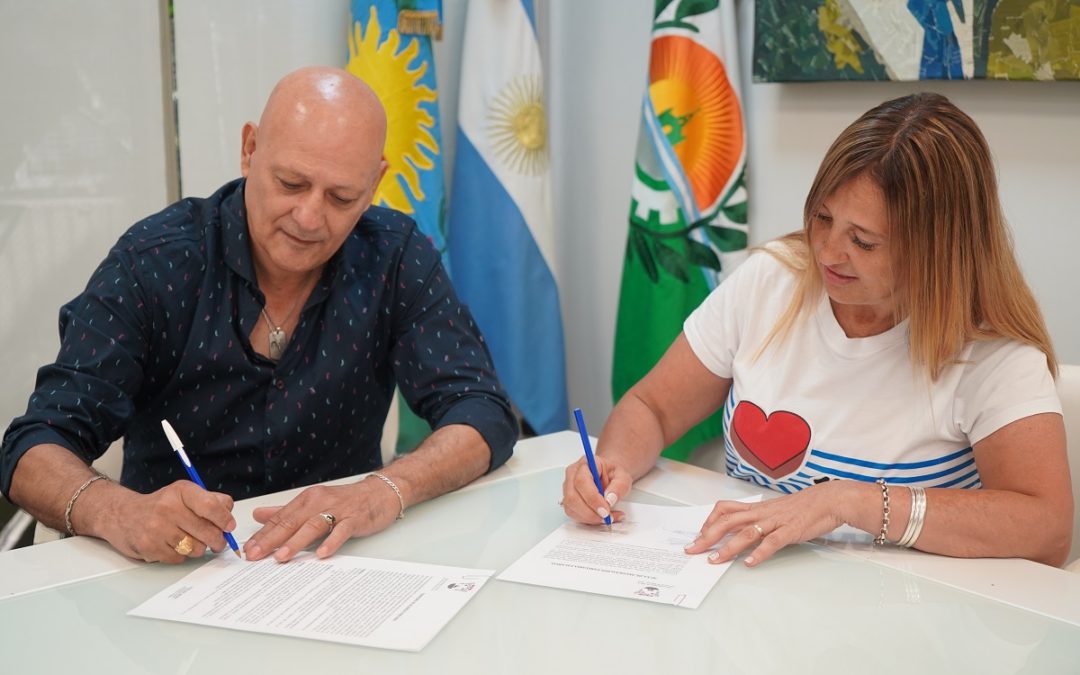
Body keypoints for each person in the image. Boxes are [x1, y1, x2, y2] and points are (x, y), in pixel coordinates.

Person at [0, 67, 517, 564]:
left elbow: (482, 410)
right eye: (291, 183)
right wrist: (119, 512)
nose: (309, 218)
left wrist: (386, 488)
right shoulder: (155, 263)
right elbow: (33, 446)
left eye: (342, 197)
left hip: (337, 563)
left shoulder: (394, 256)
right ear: (249, 150)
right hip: (173, 568)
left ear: (375, 183)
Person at [562, 93, 1073, 568]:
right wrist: (611, 464)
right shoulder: (771, 279)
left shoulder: (992, 352)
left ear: (939, 250)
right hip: (750, 584)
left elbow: (1047, 529)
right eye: (823, 218)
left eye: (864, 242)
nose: (827, 253)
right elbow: (653, 407)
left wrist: (850, 502)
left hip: (903, 608)